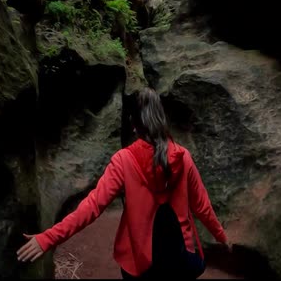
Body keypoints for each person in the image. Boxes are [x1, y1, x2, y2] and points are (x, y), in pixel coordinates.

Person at [16, 87, 230, 279]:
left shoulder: (123, 160)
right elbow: (203, 207)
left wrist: (48, 238)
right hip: (178, 259)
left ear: (134, 124)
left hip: (138, 260)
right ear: (161, 119)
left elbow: (92, 207)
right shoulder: (184, 157)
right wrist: (221, 237)